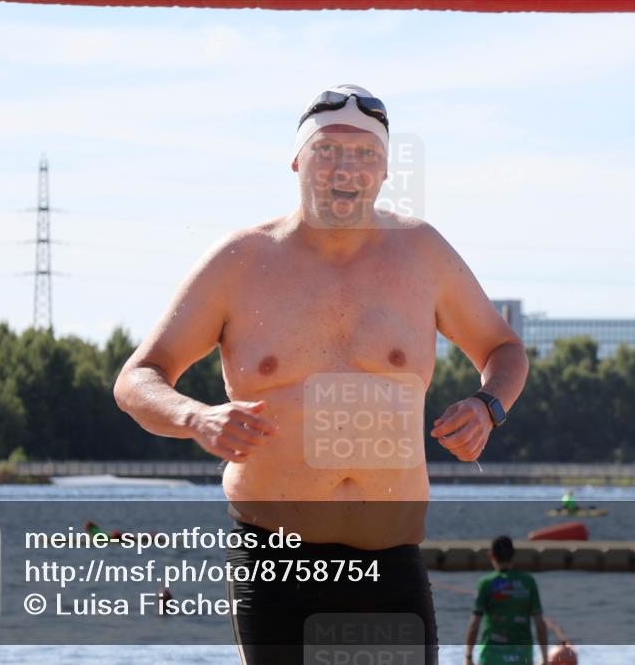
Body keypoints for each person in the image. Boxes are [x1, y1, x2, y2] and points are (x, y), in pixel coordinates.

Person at [114, 83, 529, 665]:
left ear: (385, 171)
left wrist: (488, 406)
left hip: (390, 559)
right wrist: (196, 417)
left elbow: (505, 348)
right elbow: (137, 378)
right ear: (296, 159)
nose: (347, 169)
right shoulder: (241, 260)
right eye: (329, 150)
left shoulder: (423, 255)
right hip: (274, 559)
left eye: (366, 156)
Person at [465, 536, 549, 665]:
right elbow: (540, 625)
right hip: (522, 657)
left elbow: (474, 625)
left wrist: (468, 657)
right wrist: (544, 658)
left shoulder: (486, 583)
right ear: (513, 555)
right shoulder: (528, 582)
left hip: (491, 657)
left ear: (491, 555)